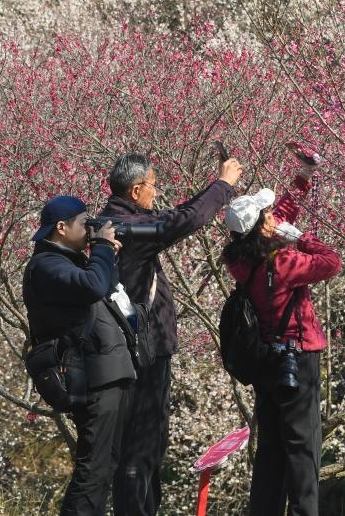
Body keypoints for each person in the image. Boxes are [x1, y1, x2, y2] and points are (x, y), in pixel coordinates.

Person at [101, 152, 243, 516]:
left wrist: (215, 187)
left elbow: (177, 215)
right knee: (142, 444)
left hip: (131, 350)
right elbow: (184, 222)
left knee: (142, 446)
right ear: (135, 190)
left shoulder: (115, 221)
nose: (156, 190)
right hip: (144, 352)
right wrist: (223, 185)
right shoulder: (128, 229)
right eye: (151, 184)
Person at [221, 151, 341, 516]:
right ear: (263, 228)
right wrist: (299, 236)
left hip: (267, 362)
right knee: (304, 448)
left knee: (271, 449)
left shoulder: (239, 259)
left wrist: (302, 179)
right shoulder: (284, 262)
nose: (275, 217)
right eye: (268, 215)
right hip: (298, 359)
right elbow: (331, 262)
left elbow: (273, 219)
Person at [23, 196, 135, 516]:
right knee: (93, 470)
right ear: (61, 228)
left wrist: (106, 253)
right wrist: (100, 248)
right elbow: (92, 287)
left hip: (104, 368)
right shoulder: (45, 265)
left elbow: (107, 291)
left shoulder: (68, 261)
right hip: (89, 374)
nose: (90, 230)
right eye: (84, 223)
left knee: (103, 467)